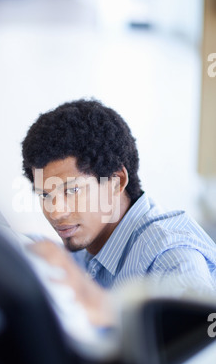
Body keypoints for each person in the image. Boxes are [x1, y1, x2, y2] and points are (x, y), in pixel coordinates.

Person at [21, 99, 216, 324]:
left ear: (117, 181)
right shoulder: (88, 238)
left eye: (72, 190)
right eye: (45, 195)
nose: (55, 213)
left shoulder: (170, 256)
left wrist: (97, 302)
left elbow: (198, 341)